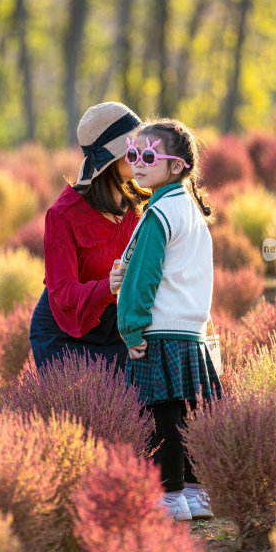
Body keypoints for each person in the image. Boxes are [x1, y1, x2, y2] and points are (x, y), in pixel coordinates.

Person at [117, 118, 222, 521]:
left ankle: (170, 496)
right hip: (189, 331)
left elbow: (144, 276)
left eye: (148, 157)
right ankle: (195, 494)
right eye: (133, 155)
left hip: (158, 331)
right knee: (186, 414)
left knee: (161, 417)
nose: (138, 164)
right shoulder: (189, 210)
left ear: (176, 166)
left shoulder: (159, 214)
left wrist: (131, 326)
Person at [29, 102, 143, 370]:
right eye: (133, 147)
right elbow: (63, 293)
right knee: (83, 408)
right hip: (64, 335)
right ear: (111, 157)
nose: (142, 153)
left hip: (118, 330)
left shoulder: (140, 206)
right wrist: (109, 286)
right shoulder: (63, 214)